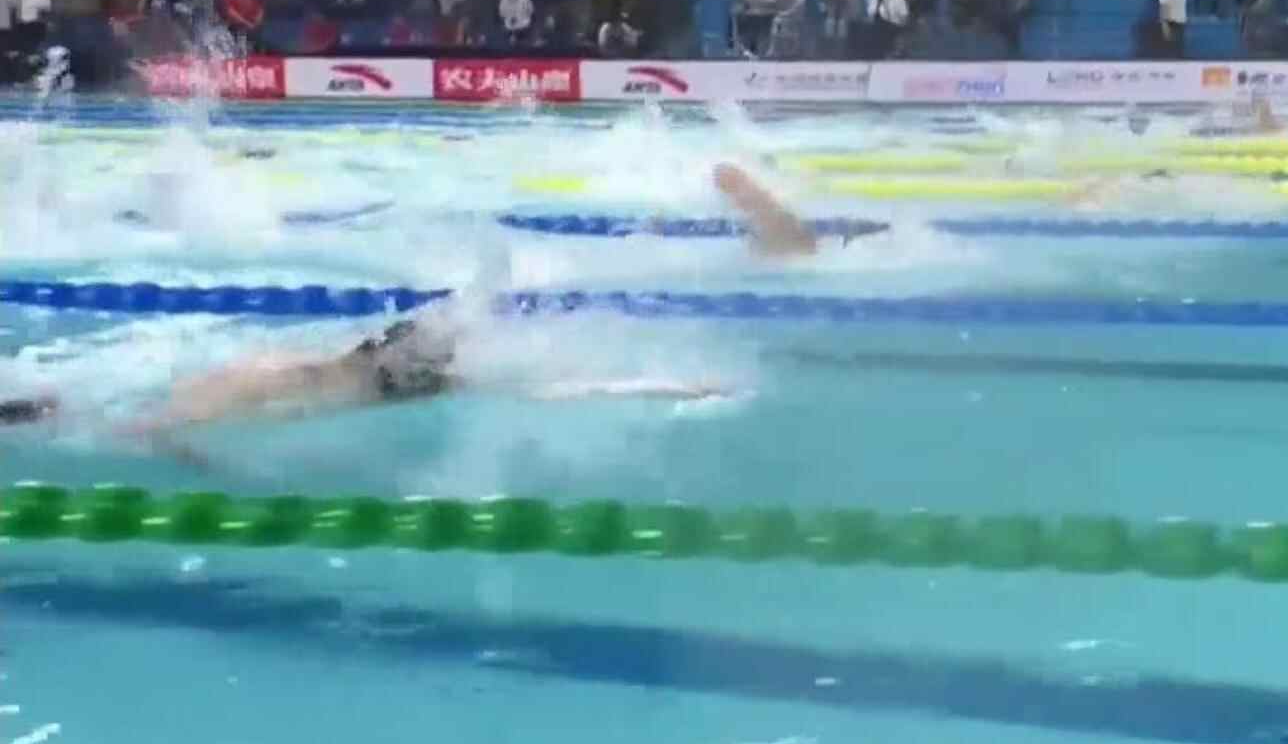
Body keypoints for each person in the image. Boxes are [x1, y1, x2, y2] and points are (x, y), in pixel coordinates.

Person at [0, 164, 830, 436]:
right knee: (529, 371)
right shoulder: (180, 391)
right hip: (371, 362)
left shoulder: (177, 402)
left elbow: (159, 433)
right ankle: (759, 250)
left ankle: (760, 253)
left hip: (371, 371)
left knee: (526, 375)